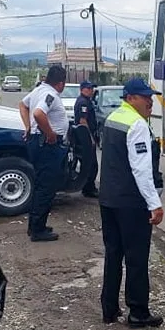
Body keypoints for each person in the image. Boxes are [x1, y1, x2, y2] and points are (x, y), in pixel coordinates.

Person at [98, 77, 165, 328]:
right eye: (145, 96)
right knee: (136, 258)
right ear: (130, 98)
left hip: (109, 200)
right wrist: (154, 203)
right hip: (131, 203)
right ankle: (138, 312)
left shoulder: (114, 118)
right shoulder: (136, 125)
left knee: (113, 254)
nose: (150, 101)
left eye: (151, 96)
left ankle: (109, 308)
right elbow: (141, 171)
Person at [18, 65, 68, 242]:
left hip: (38, 142)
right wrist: (50, 133)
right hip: (47, 145)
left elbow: (23, 105)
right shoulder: (50, 95)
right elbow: (39, 113)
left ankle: (36, 226)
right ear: (61, 83)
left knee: (41, 185)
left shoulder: (38, 90)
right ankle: (38, 230)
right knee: (46, 187)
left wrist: (28, 127)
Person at [73, 81, 99, 198]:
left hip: (85, 136)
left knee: (90, 163)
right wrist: (90, 138)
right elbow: (83, 121)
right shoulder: (83, 102)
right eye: (89, 88)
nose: (91, 91)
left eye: (92, 88)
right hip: (85, 137)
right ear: (83, 89)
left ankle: (88, 187)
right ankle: (88, 189)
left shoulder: (87, 101)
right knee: (91, 164)